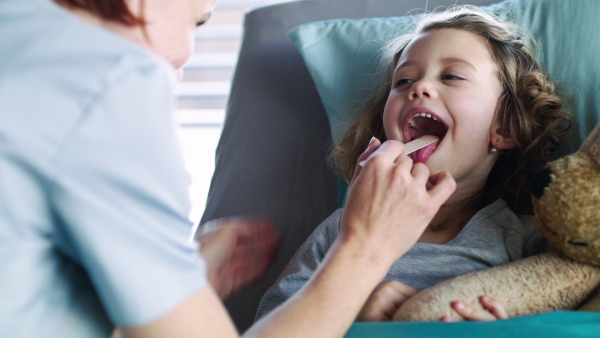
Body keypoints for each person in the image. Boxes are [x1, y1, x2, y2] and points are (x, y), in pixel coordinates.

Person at [0, 0, 456, 337]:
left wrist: (170, 279)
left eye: (453, 77)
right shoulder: (111, 80)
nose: (182, 61)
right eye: (195, 20)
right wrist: (365, 248)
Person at [256, 7, 575, 323]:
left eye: (451, 76)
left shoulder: (526, 238)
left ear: (505, 127)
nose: (418, 88)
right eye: (404, 80)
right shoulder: (344, 228)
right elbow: (270, 320)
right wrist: (354, 311)